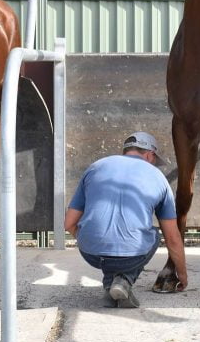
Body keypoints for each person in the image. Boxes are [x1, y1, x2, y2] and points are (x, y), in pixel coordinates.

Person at [64, 131, 188, 308]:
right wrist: (182, 275)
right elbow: (173, 238)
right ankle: (125, 280)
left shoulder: (95, 167)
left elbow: (68, 223)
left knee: (110, 246)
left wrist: (87, 239)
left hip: (91, 254)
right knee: (154, 234)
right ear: (150, 155)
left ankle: (110, 287)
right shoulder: (158, 177)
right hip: (131, 256)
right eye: (154, 160)